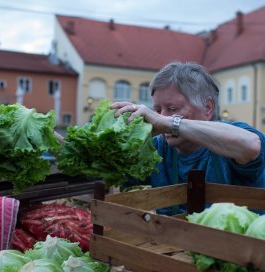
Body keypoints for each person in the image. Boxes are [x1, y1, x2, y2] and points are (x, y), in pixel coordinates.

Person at [111, 61, 265, 188]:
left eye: (172, 109)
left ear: (208, 108)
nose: (161, 117)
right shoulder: (156, 148)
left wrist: (167, 123)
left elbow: (251, 146)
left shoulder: (232, 133)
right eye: (157, 110)